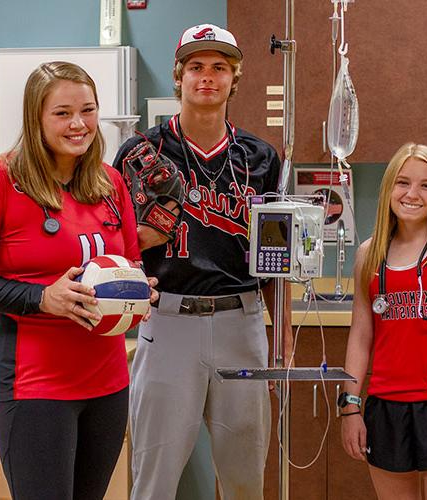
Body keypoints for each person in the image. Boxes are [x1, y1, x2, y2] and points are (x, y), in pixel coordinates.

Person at [113, 23, 292, 500]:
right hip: (168, 319)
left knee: (244, 481)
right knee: (153, 481)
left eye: (219, 67)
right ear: (179, 77)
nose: (206, 77)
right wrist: (138, 238)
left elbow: (274, 259)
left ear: (235, 78)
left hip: (243, 320)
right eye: (196, 67)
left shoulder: (260, 157)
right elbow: (110, 248)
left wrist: (283, 335)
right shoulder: (139, 152)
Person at [0, 61, 157, 500]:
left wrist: (139, 294)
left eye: (88, 110)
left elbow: (130, 262)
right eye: (62, 113)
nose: (78, 124)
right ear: (36, 117)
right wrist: (41, 297)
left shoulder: (111, 183)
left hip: (107, 380)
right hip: (34, 380)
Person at [340, 142, 427, 500]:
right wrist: (350, 406)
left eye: (426, 185)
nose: (412, 194)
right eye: (403, 182)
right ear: (389, 188)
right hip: (385, 406)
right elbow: (360, 336)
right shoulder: (369, 254)